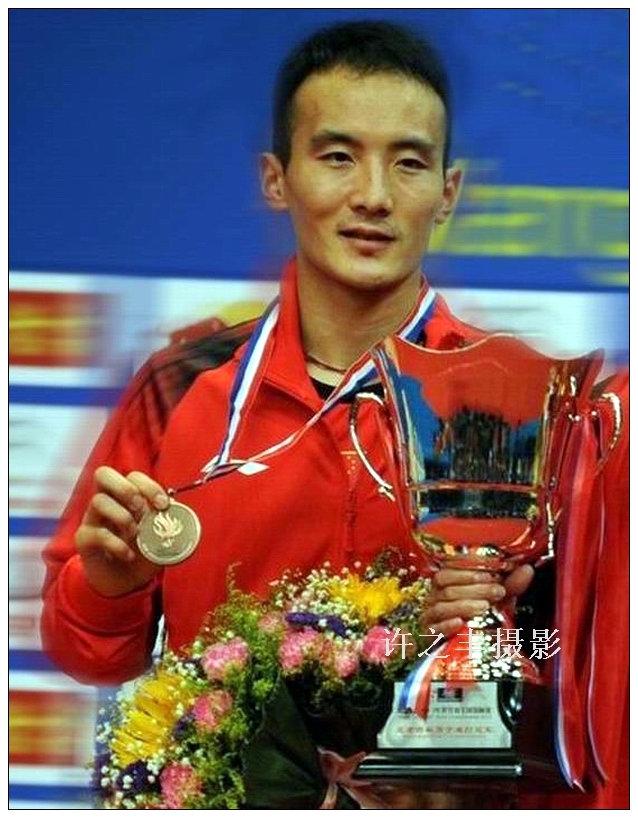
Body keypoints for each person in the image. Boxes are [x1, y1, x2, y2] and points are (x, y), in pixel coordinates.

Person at [40, 19, 627, 809]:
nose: (374, 197)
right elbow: (90, 656)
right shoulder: (179, 389)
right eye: (338, 156)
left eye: (409, 162)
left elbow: (589, 681)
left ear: (448, 192)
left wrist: (503, 632)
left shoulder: (527, 406)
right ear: (276, 178)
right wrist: (109, 585)